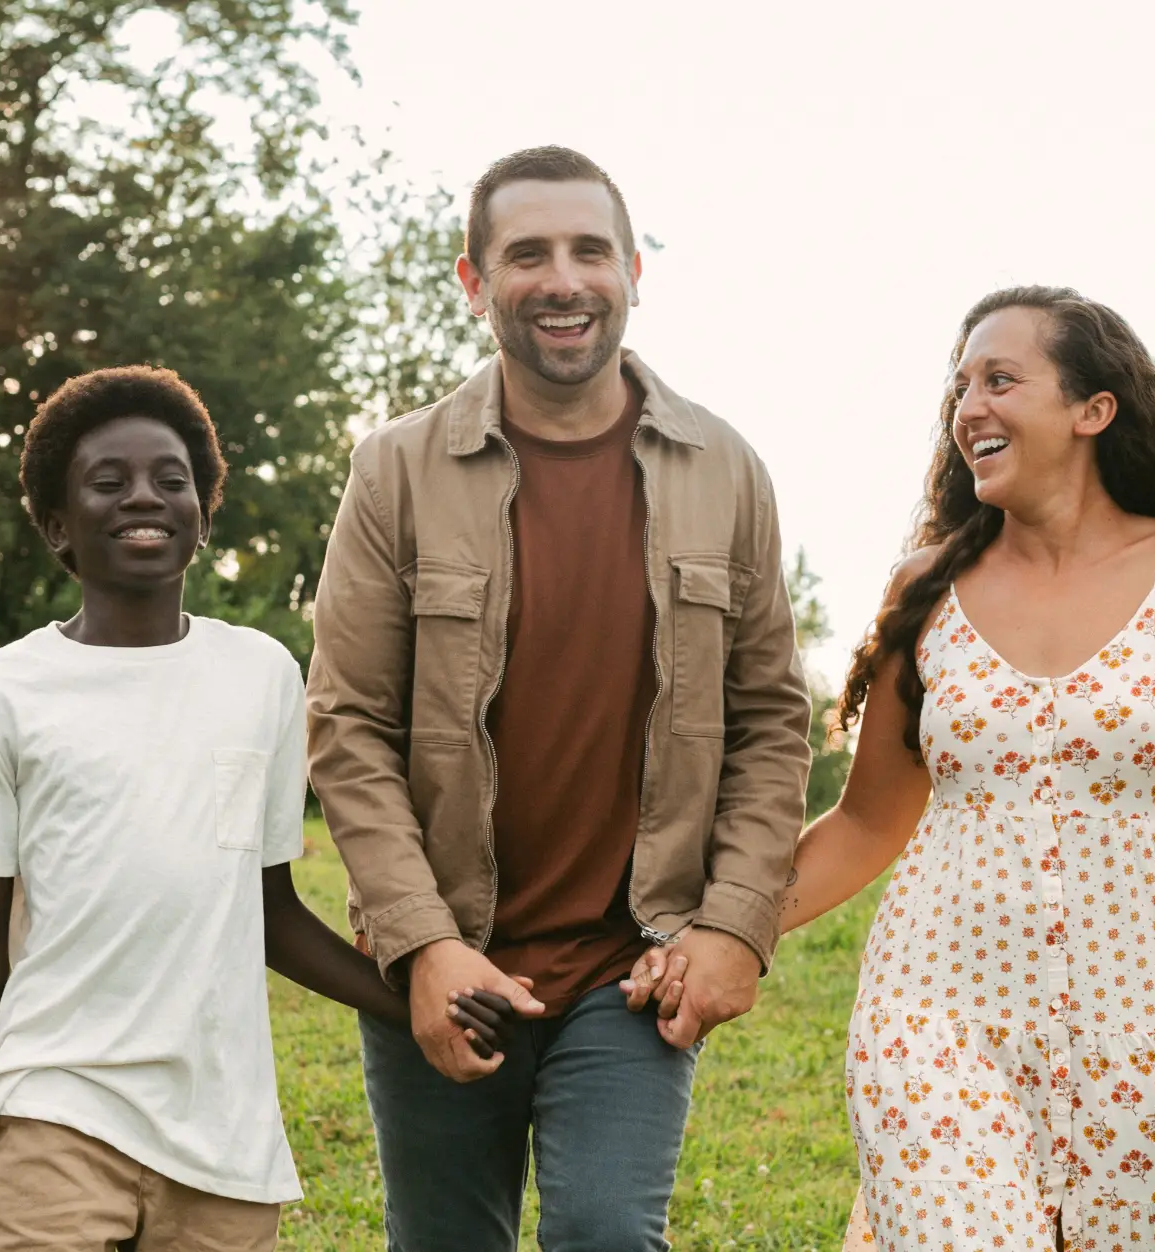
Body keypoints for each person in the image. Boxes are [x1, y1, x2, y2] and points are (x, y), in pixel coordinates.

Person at [630, 286, 1155, 1249]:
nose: (968, 405)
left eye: (1001, 379)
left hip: (1142, 1016)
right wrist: (716, 931)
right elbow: (866, 822)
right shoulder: (926, 587)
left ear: (1094, 410)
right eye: (960, 384)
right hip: (932, 1006)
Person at [304, 145, 811, 1252]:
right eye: (526, 254)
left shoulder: (726, 468)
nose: (563, 279)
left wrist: (735, 926)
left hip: (631, 966)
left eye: (589, 250)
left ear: (633, 268)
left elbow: (774, 721)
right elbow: (347, 726)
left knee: (602, 1234)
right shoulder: (395, 470)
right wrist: (424, 945)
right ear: (474, 282)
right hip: (448, 956)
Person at [0, 366, 489, 1251]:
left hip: (222, 1143)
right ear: (57, 525)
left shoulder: (263, 676)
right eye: (108, 482)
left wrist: (425, 1001)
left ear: (202, 515)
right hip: (54, 1112)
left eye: (171, 479)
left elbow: (269, 915)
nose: (144, 498)